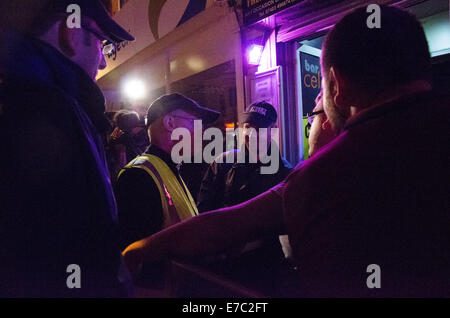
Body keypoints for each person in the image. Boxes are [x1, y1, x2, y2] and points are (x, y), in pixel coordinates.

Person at [122, 6, 450, 297]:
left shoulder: (323, 174)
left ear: (336, 85)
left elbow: (230, 226)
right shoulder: (219, 164)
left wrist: (142, 250)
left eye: (319, 95)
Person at [0, 0, 135, 297]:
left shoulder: (19, 97)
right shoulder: (56, 112)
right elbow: (82, 255)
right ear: (71, 32)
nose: (102, 62)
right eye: (103, 44)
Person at [115, 93, 220, 251]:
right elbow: (139, 260)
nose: (203, 131)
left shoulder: (167, 167)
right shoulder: (138, 176)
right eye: (196, 123)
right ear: (170, 123)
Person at [197, 101, 291, 212]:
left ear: (273, 130)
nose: (252, 135)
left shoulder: (285, 174)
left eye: (259, 128)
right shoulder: (222, 164)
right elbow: (204, 212)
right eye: (248, 127)